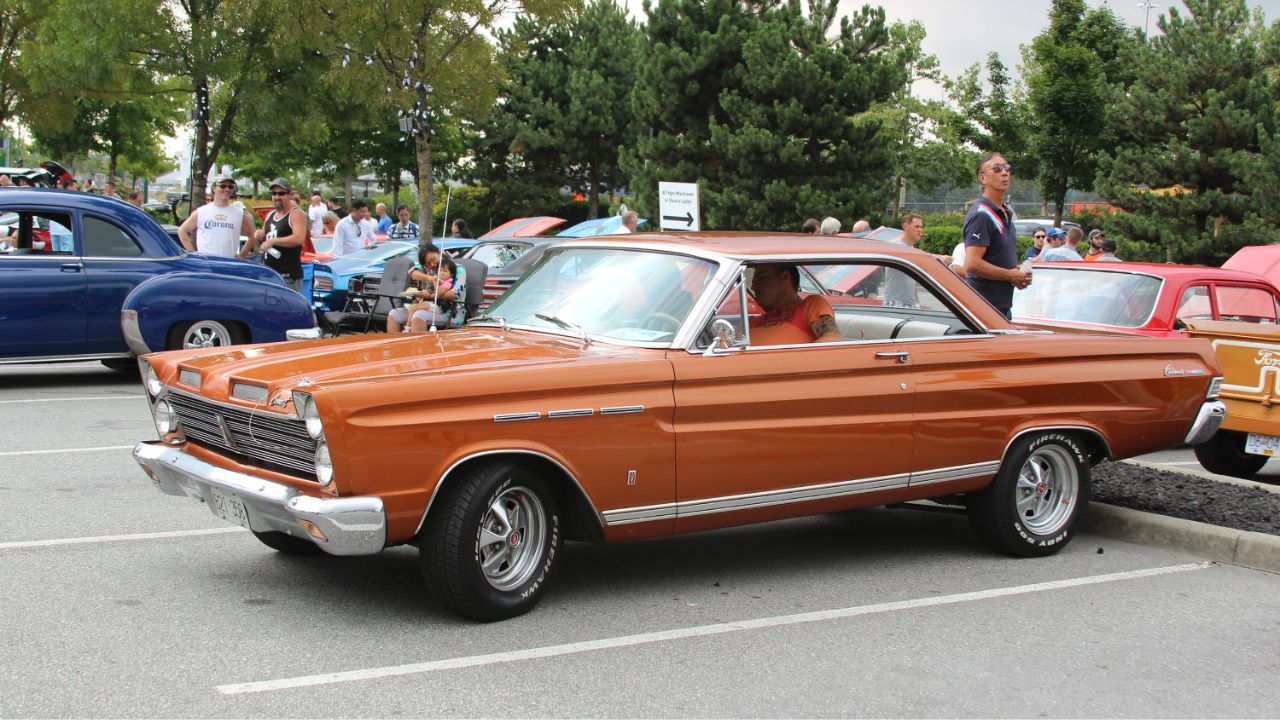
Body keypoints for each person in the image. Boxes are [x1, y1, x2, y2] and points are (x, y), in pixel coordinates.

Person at [963, 152, 1030, 319]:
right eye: (997, 169)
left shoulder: (1005, 213)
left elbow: (997, 258)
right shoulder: (982, 215)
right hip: (983, 309)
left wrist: (1017, 273)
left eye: (1007, 168)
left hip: (1002, 308)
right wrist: (1010, 275)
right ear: (982, 178)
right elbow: (972, 264)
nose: (1005, 172)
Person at [747, 263, 842, 344]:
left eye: (761, 278)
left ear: (785, 277)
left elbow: (833, 340)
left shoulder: (809, 305)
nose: (753, 287)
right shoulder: (751, 321)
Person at [388, 243, 467, 332]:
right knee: (394, 314)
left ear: (440, 253)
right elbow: (413, 273)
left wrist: (429, 295)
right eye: (428, 263)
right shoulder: (429, 269)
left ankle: (418, 345)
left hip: (450, 312)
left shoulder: (457, 269)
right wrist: (429, 278)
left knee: (418, 316)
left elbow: (454, 295)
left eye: (433, 259)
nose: (432, 264)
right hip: (425, 306)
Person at [245, 178, 307, 290]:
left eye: (281, 193)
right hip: (268, 274)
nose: (277, 197)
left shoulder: (296, 214)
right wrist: (258, 235)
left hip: (287, 277)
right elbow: (263, 238)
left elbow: (299, 239)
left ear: (289, 195)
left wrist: (273, 241)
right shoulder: (270, 215)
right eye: (274, 193)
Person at [176, 174, 256, 258]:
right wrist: (193, 255)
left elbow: (252, 236)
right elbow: (182, 231)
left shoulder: (239, 213)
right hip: (207, 264)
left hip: (228, 264)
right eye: (223, 186)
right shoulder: (201, 212)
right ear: (214, 188)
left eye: (230, 187)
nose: (227, 189)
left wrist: (242, 255)